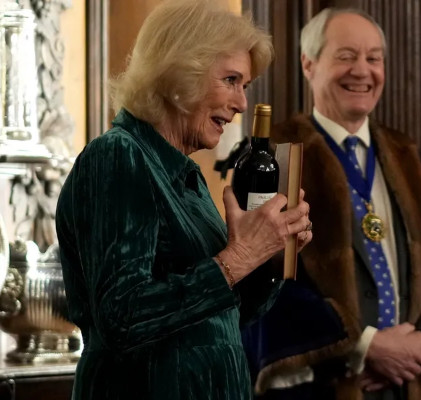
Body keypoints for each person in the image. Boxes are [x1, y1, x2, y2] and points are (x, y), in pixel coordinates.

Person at [55, 0, 312, 398]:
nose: (242, 103)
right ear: (179, 76)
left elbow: (223, 317)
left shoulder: (186, 175)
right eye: (230, 80)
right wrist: (238, 257)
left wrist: (269, 255)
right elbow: (122, 318)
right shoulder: (118, 156)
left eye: (244, 86)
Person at [242, 8, 421, 400]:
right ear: (308, 64)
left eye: (374, 58)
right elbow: (262, 281)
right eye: (346, 56)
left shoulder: (412, 162)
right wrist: (364, 346)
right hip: (321, 386)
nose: (362, 70)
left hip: (408, 383)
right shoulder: (275, 160)